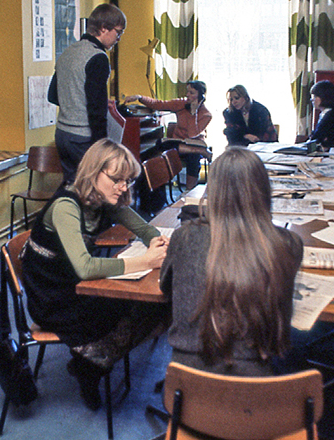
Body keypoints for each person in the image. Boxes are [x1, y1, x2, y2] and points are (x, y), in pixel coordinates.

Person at [21, 139, 168, 409]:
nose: (123, 187)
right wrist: (145, 261)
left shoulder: (102, 197)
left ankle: (89, 361)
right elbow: (85, 268)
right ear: (94, 173)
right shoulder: (66, 206)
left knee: (154, 307)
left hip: (73, 286)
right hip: (52, 298)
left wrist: (159, 241)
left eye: (127, 180)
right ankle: (91, 366)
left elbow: (144, 228)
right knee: (138, 307)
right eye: (117, 179)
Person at [161, 147, 303, 376]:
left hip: (187, 387)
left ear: (213, 192)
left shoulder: (184, 236)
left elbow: (165, 287)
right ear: (264, 190)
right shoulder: (290, 243)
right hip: (260, 389)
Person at [49, 3, 127, 181]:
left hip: (62, 134)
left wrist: (73, 101)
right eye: (118, 32)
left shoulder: (68, 52)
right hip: (83, 137)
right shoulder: (98, 57)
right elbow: (96, 109)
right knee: (94, 189)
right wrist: (102, 146)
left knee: (72, 186)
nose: (119, 38)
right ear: (103, 28)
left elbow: (53, 95)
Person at [125, 80, 212, 190]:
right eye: (187, 92)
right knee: (161, 145)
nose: (187, 95)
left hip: (193, 143)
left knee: (193, 158)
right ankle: (202, 151)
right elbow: (159, 104)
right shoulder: (182, 104)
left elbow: (191, 134)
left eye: (192, 93)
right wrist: (140, 97)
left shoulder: (206, 114)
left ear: (201, 96)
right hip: (177, 143)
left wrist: (193, 113)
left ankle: (189, 191)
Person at [304, 80, 334, 150]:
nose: (312, 99)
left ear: (323, 97)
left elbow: (318, 137)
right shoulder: (325, 114)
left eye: (314, 97)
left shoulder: (332, 116)